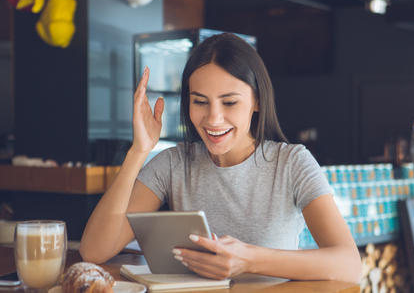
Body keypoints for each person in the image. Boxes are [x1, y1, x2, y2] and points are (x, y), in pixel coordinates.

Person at [80, 33, 362, 283]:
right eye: (200, 101)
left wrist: (249, 259)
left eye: (229, 102)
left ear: (257, 101)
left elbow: (350, 264)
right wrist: (138, 150)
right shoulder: (173, 164)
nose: (213, 119)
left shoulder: (292, 164)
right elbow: (94, 250)